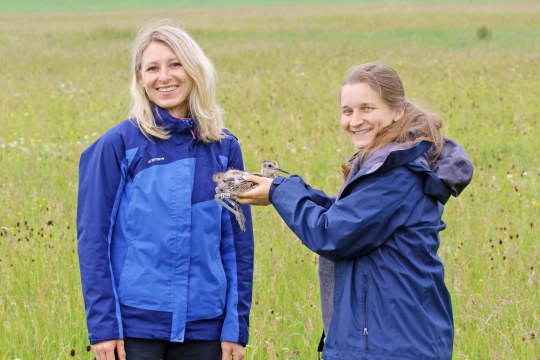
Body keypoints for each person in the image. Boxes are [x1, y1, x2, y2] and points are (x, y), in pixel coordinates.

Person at [238, 63, 473, 359]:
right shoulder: (389, 161)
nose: (355, 120)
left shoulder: (395, 174)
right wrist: (285, 190)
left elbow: (332, 233)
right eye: (347, 111)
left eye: (367, 108)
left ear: (397, 111)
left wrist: (279, 192)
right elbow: (348, 215)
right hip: (391, 337)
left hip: (389, 344)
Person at [77, 21, 253, 360]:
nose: (165, 76)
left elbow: (237, 242)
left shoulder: (225, 147)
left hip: (207, 328)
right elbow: (93, 241)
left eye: (175, 64)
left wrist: (236, 325)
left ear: (194, 69)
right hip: (134, 328)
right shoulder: (118, 145)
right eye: (152, 68)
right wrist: (104, 327)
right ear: (140, 78)